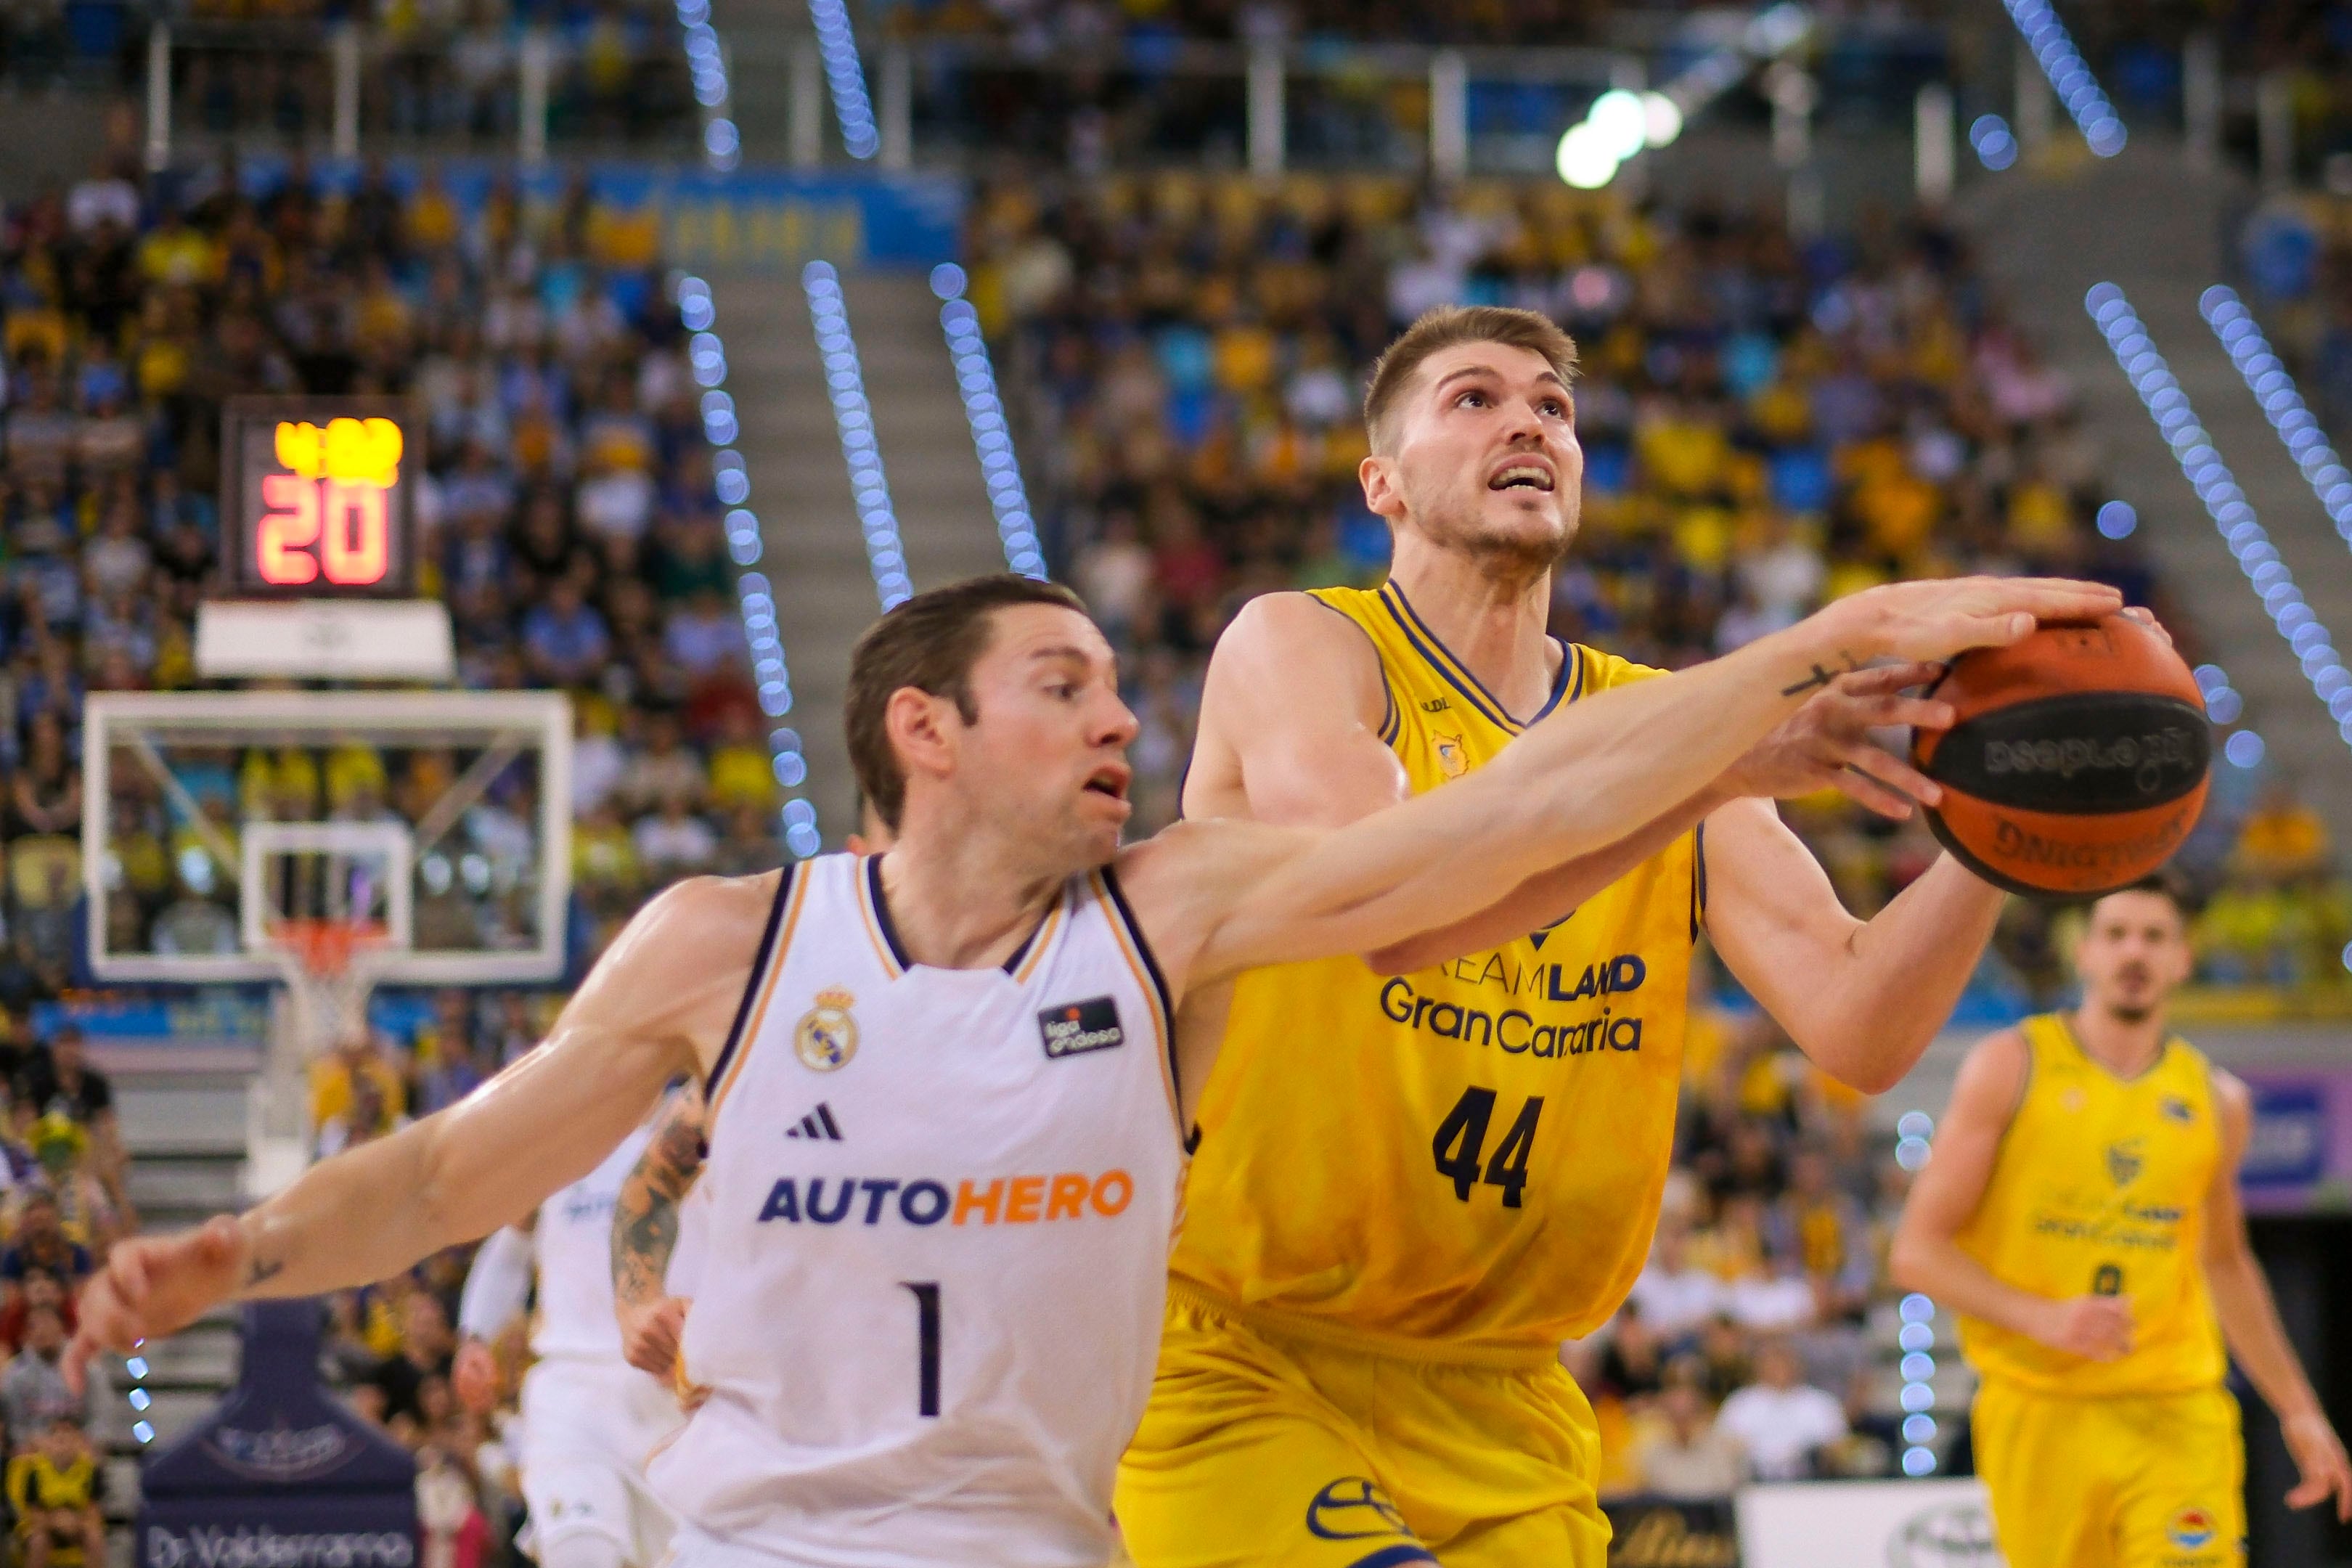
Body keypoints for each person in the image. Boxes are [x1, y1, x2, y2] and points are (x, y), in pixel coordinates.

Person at [69, 568, 2116, 1565]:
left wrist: (1779, 691)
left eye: (1125, 685)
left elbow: (1479, 838)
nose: (1122, 718)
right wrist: (228, 1252)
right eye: (1066, 686)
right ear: (924, 733)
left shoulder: (1177, 916)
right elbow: (444, 1179)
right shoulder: (731, 941)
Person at [1117, 302, 2135, 1564]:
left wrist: (1996, 827)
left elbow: (1862, 1023)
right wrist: (1790, 676)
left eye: (1553, 404)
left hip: (1511, 1395)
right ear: (1380, 481)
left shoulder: (1665, 725)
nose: (1529, 422)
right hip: (1243, 1359)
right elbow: (1385, 895)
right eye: (1474, 399)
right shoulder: (1305, 644)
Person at [1892, 876, 2352, 1567]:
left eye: (2154, 937)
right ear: (2084, 953)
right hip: (2040, 1408)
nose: (2134, 953)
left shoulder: (2217, 1100)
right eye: (2116, 935)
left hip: (2176, 1406)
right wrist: (2044, 1318)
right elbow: (1917, 1253)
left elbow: (2225, 1263)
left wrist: (2298, 1408)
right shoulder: (2011, 1066)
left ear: (2183, 959)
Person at [452, 1096, 683, 1568]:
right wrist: (475, 1335)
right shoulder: (561, 1143)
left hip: (675, 1392)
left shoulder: (698, 1122)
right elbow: (512, 1248)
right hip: (572, 1389)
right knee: (580, 1551)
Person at [1712, 1337, 1846, 1482]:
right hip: (1752, 1481)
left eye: (1784, 1362)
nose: (1779, 1369)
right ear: (1759, 1367)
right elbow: (1723, 1444)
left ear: (1798, 1366)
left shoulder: (1821, 1403)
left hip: (1811, 1483)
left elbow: (1838, 1445)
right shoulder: (1740, 1403)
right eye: (1773, 1363)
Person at [4, 1416, 103, 1568]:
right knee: (39, 1541)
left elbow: (93, 1509)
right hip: (44, 1524)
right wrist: (56, 1522)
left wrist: (75, 1523)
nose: (63, 1443)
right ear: (48, 1442)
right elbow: (33, 1511)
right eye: (58, 1438)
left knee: (94, 1537)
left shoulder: (89, 1469)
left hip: (77, 1523)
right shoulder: (35, 1470)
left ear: (78, 1441)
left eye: (69, 1437)